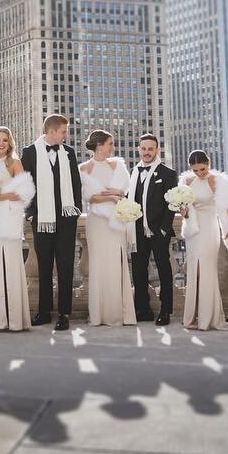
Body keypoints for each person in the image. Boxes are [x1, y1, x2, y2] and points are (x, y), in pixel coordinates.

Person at [20, 114, 83, 330]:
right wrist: (31, 213)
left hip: (66, 219)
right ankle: (44, 312)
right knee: (44, 267)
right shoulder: (29, 153)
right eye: (64, 131)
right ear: (52, 131)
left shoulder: (69, 153)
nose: (66, 135)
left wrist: (75, 212)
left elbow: (76, 185)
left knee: (65, 267)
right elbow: (25, 185)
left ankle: (64, 314)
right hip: (41, 219)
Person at [176, 150, 228, 331]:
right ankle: (193, 317)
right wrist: (183, 211)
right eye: (195, 170)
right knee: (194, 272)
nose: (199, 173)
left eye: (203, 169)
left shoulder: (217, 181)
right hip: (193, 231)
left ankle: (208, 318)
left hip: (209, 229)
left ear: (209, 163)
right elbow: (185, 208)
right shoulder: (186, 181)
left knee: (205, 270)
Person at [79, 130, 136, 327]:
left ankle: (120, 313)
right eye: (110, 143)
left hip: (116, 221)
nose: (113, 147)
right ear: (100, 145)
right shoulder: (84, 168)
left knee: (116, 263)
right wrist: (111, 197)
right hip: (96, 222)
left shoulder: (118, 165)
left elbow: (124, 191)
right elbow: (89, 197)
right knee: (97, 264)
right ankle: (98, 314)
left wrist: (117, 193)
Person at [0, 127, 33, 332]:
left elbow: (24, 193)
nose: (1, 144)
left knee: (10, 263)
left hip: (9, 217)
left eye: (5, 140)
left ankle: (15, 319)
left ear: (10, 143)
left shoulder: (14, 163)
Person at [128, 133, 178, 325]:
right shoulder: (134, 171)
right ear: (139, 149)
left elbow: (172, 204)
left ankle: (165, 311)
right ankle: (142, 309)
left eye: (151, 148)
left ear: (157, 150)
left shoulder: (167, 173)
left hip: (159, 231)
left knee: (164, 271)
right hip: (138, 231)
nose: (147, 152)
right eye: (144, 148)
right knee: (139, 271)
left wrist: (164, 229)